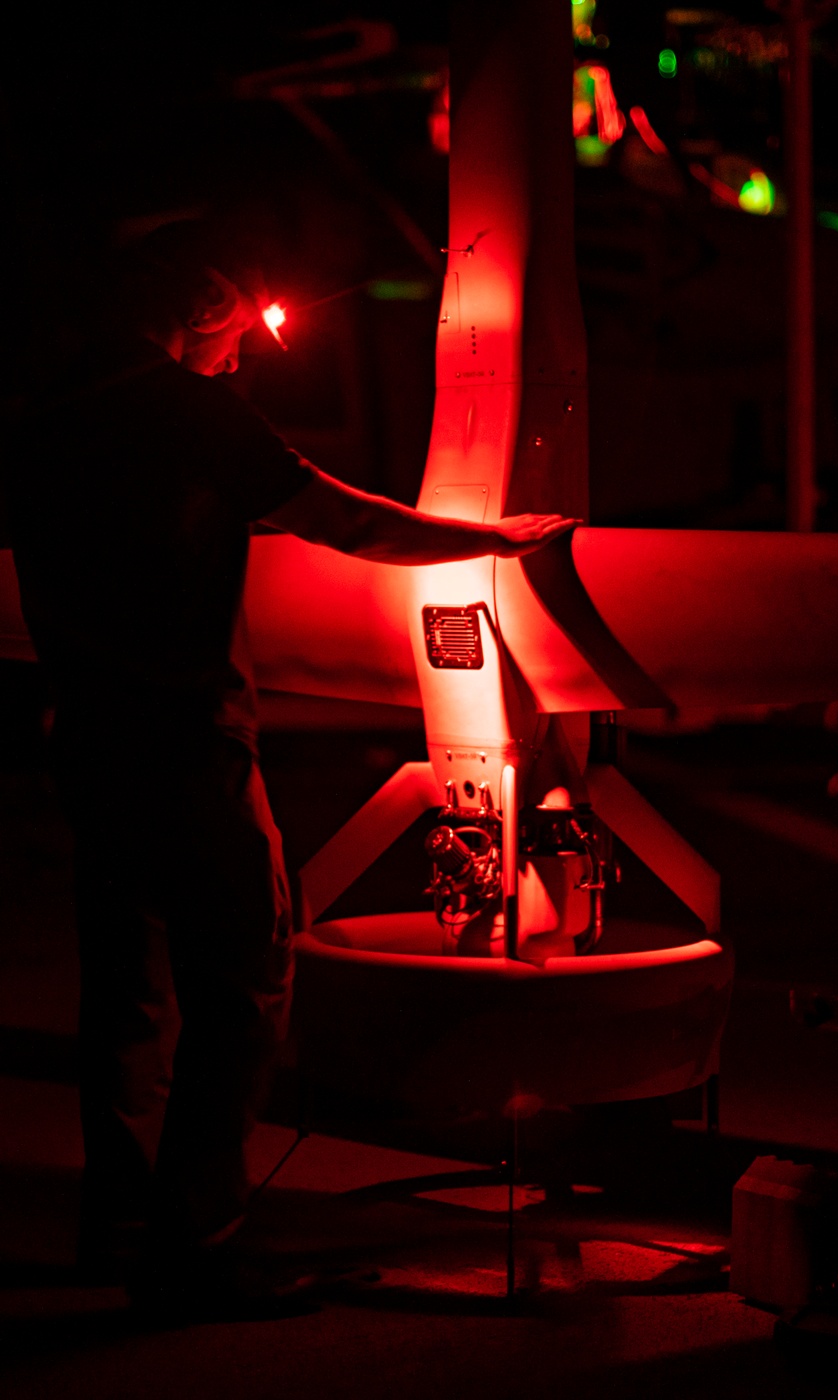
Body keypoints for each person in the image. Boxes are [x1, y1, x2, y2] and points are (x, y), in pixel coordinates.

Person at [5, 220, 576, 1317]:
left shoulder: (47, 422)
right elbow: (339, 519)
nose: (246, 354)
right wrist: (491, 538)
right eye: (234, 333)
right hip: (186, 737)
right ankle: (197, 1245)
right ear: (199, 312)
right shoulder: (191, 413)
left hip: (82, 733)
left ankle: (117, 1220)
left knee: (125, 989)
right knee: (245, 979)